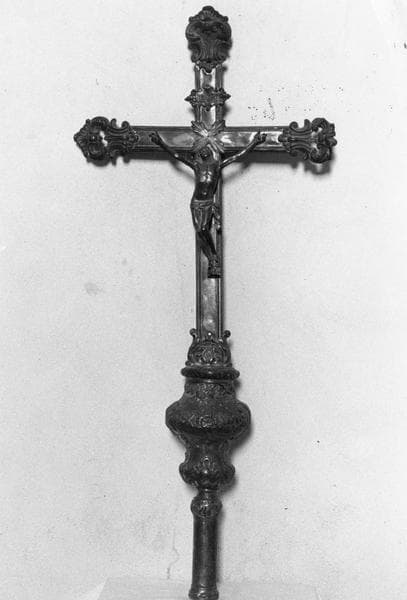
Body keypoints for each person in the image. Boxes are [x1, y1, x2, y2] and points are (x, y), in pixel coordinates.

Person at [150, 129, 266, 278]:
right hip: (196, 202)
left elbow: (237, 156)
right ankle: (212, 258)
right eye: (202, 149)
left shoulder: (216, 165)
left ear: (212, 151)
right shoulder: (197, 166)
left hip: (207, 202)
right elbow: (177, 156)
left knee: (204, 228)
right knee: (200, 231)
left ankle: (213, 257)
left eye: (207, 148)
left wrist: (254, 142)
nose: (204, 150)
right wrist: (160, 142)